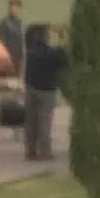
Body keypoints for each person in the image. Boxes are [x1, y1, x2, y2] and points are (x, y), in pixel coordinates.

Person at [22, 26, 67, 163]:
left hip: (31, 90)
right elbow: (64, 59)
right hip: (47, 91)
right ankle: (45, 151)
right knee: (44, 122)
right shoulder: (51, 53)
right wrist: (61, 39)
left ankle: (30, 150)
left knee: (31, 122)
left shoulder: (31, 52)